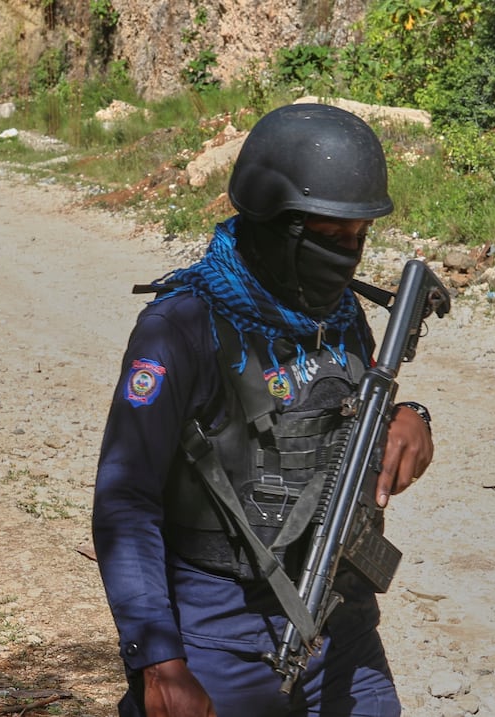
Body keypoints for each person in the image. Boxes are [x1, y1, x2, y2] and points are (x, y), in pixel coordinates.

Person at [91, 103, 435, 717]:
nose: (347, 256)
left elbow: (342, 414)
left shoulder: (337, 314)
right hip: (219, 632)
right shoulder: (181, 327)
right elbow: (126, 498)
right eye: (328, 238)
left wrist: (409, 416)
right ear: (270, 222)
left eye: (358, 237)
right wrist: (159, 658)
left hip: (340, 619)